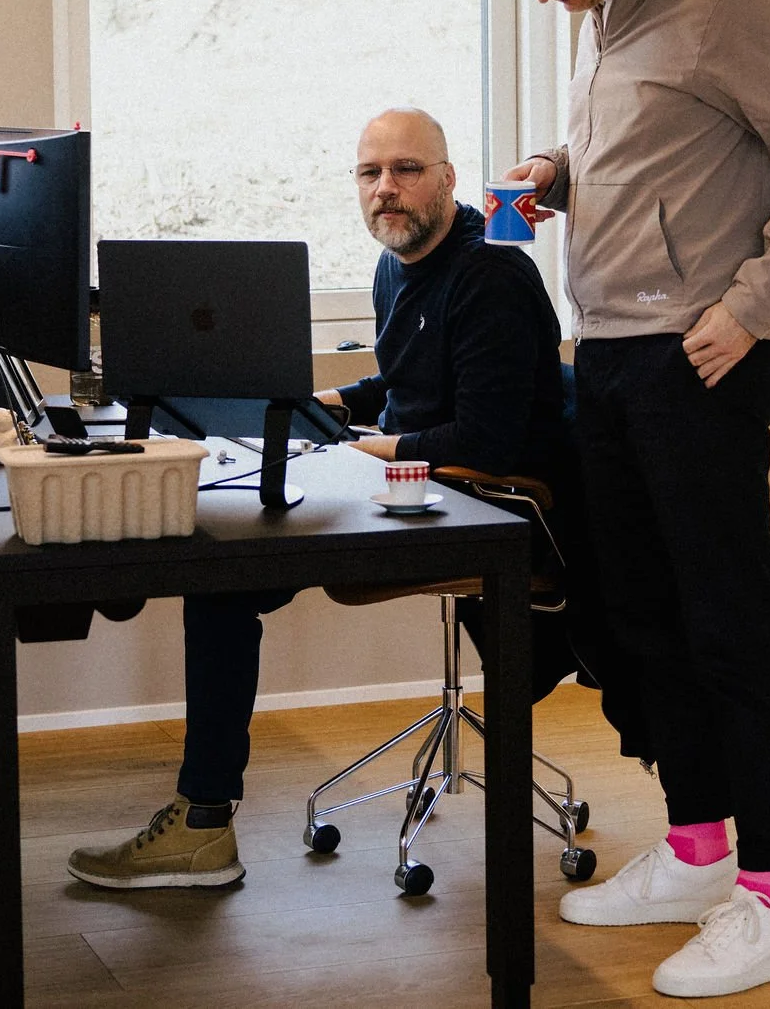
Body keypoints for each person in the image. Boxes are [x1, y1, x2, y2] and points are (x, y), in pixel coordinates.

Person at [495, 0, 770, 999]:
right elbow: (661, 153)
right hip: (603, 349)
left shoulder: (724, 0)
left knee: (725, 621)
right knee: (640, 614)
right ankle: (698, 845)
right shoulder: (600, 19)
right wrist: (560, 170)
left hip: (694, 359)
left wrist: (750, 311)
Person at [67, 106, 578, 892]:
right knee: (223, 574)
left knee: (228, 571)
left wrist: (350, 444)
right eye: (370, 173)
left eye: (406, 170)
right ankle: (204, 826)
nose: (386, 190)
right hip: (412, 488)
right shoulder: (396, 263)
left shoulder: (492, 275)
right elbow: (406, 384)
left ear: (447, 178)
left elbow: (485, 437)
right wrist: (314, 402)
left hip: (493, 508)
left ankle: (203, 822)